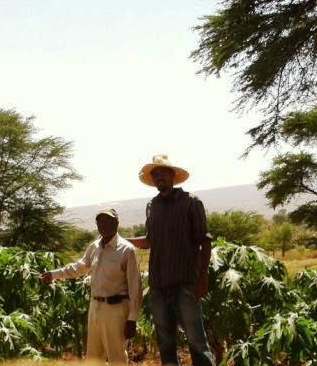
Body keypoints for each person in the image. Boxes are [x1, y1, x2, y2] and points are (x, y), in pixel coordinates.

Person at [128, 154, 216, 366]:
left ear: (173, 175)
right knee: (165, 342)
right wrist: (123, 241)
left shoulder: (190, 203)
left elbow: (204, 241)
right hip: (158, 285)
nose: (159, 177)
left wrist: (202, 277)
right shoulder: (153, 206)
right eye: (155, 174)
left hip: (185, 282)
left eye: (163, 172)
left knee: (197, 341)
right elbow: (150, 240)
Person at [40, 208, 141, 365]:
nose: (103, 225)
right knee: (93, 357)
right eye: (100, 222)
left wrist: (132, 319)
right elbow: (80, 267)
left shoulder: (127, 250)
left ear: (116, 223)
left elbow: (135, 287)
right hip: (95, 307)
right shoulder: (94, 247)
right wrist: (54, 274)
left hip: (116, 310)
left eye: (107, 221)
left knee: (117, 357)